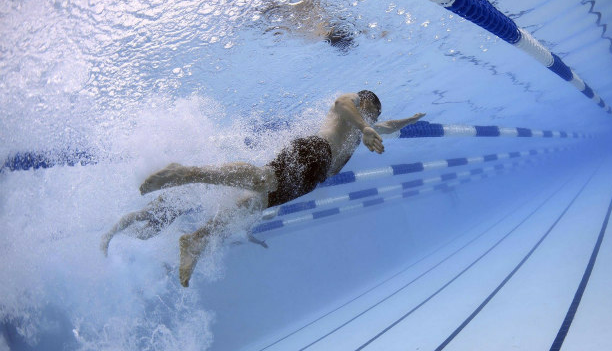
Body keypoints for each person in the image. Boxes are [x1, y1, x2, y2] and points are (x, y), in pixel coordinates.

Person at [101, 90, 425, 287]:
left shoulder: (363, 130)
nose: (374, 118)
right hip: (313, 151)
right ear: (365, 104)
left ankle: (196, 239)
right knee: (260, 180)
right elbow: (342, 103)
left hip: (311, 179)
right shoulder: (352, 108)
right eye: (372, 112)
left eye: (374, 116)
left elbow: (387, 126)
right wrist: (366, 126)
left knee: (250, 205)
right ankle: (184, 173)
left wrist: (408, 120)